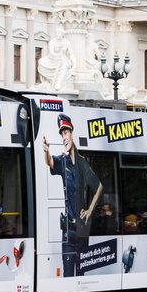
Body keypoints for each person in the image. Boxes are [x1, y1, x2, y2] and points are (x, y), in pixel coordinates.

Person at [43, 113, 101, 276]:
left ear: (72, 133)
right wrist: (46, 151)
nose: (64, 137)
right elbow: (50, 162)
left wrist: (90, 210)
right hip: (69, 232)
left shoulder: (82, 163)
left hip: (82, 230)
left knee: (81, 277)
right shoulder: (62, 161)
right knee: (68, 276)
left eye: (66, 132)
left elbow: (98, 187)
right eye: (61, 134)